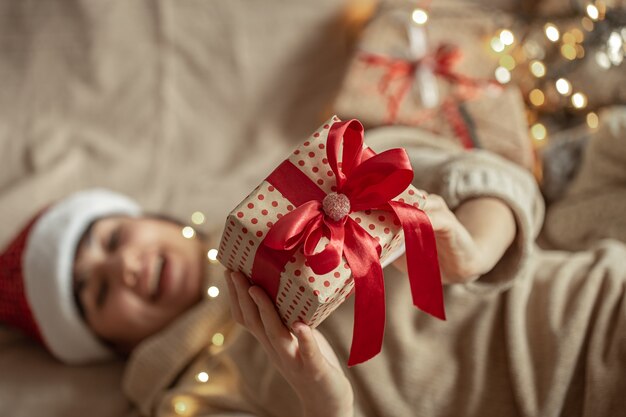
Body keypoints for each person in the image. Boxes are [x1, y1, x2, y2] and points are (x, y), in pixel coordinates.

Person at [1, 127, 625, 417]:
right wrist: (326, 402)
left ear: (154, 218)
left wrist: (474, 250)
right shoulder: (186, 400)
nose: (126, 267)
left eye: (111, 238)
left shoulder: (315, 175)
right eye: (97, 292)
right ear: (107, 344)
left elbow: (491, 180)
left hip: (593, 313)